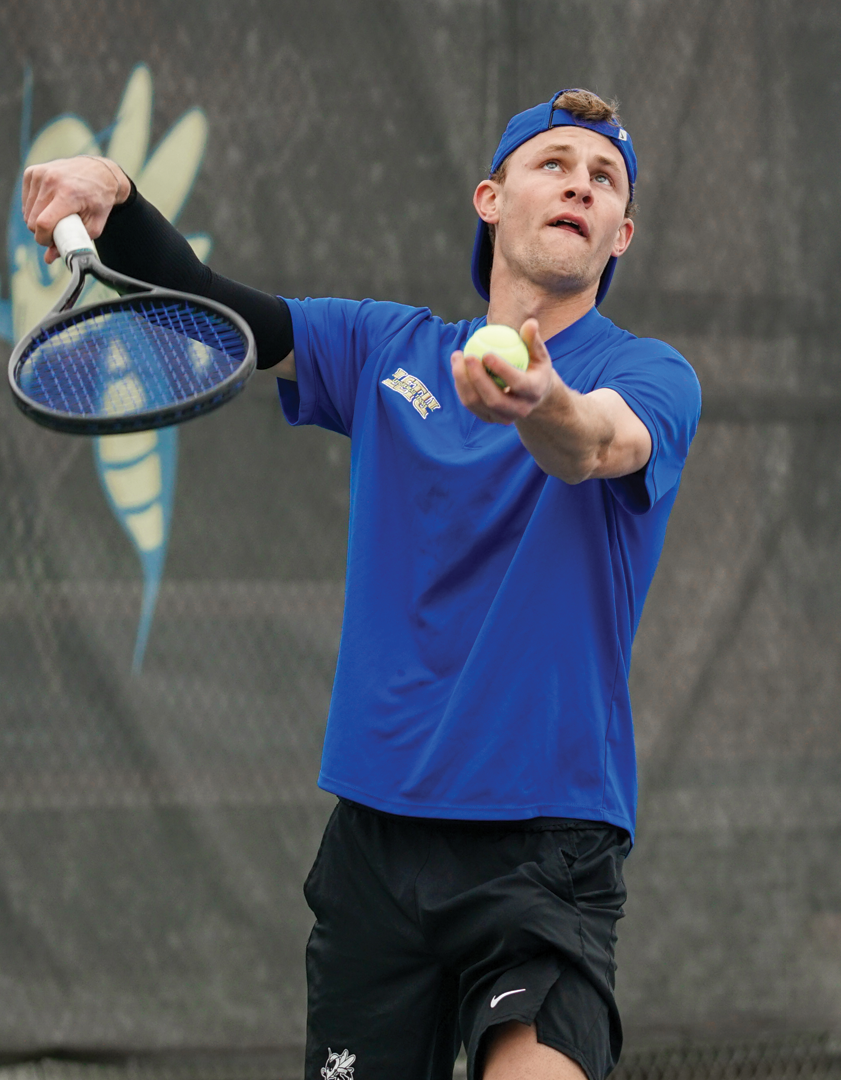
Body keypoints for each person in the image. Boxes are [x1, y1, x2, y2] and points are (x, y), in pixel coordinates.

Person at [21, 89, 701, 1080]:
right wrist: (116, 198)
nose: (580, 186)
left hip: (546, 843)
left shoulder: (652, 375)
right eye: (555, 164)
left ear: (620, 235)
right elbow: (215, 306)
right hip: (377, 848)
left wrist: (540, 400)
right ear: (491, 199)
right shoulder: (387, 349)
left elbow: (597, 444)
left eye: (605, 180)